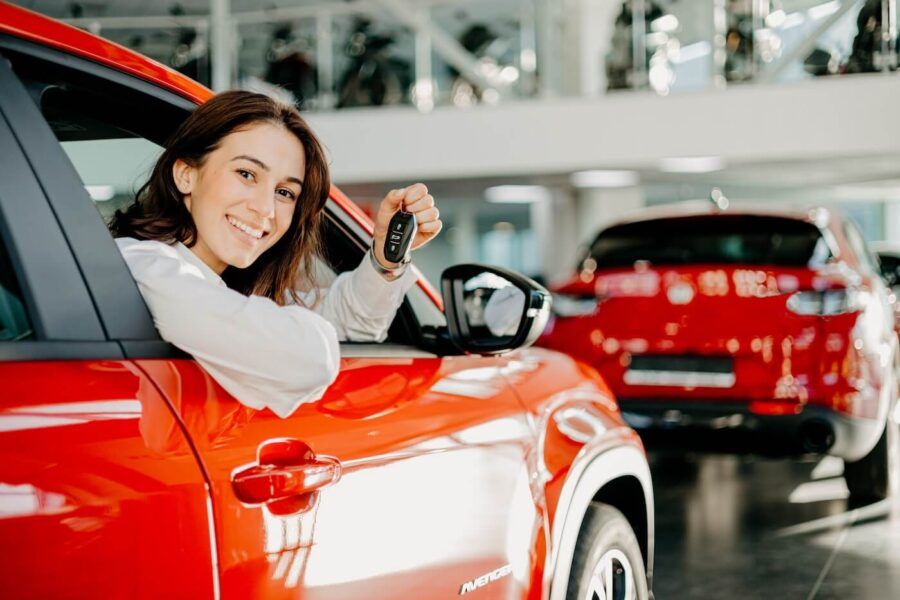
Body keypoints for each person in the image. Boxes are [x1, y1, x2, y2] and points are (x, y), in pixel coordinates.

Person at [110, 90, 442, 418]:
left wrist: (386, 257)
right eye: (246, 174)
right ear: (186, 174)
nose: (265, 209)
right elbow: (309, 362)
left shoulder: (224, 288)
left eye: (284, 192)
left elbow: (352, 328)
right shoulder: (142, 266)